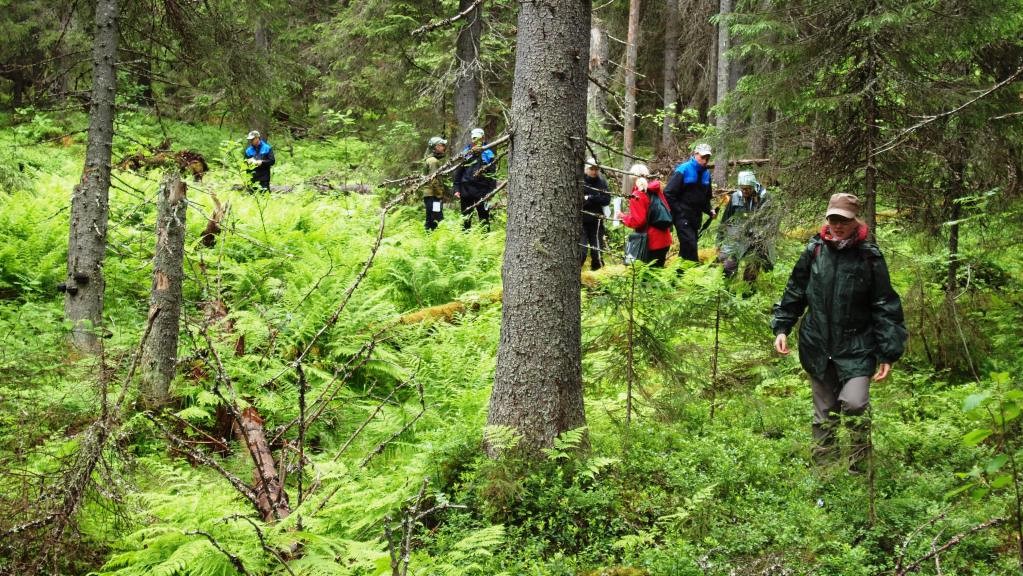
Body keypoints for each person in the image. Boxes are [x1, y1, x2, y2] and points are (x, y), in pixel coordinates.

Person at [771, 193, 907, 471]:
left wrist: (887, 353)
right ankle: (825, 472)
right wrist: (783, 326)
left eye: (843, 220)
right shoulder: (814, 251)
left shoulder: (869, 256)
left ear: (855, 221)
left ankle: (859, 468)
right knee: (825, 414)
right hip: (817, 343)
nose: (837, 225)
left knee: (855, 404)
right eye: (833, 219)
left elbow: (885, 304)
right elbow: (795, 290)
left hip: (857, 346)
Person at [664, 143, 716, 262]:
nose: (705, 160)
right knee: (690, 245)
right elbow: (668, 192)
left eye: (707, 158)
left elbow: (706, 198)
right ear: (695, 154)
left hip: (696, 218)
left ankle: (679, 275)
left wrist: (710, 210)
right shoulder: (684, 169)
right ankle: (693, 276)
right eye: (702, 157)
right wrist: (679, 212)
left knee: (687, 247)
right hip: (682, 217)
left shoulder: (707, 175)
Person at [717, 170, 773, 282]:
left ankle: (748, 294)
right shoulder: (735, 197)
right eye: (742, 188)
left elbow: (770, 222)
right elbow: (725, 220)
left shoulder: (764, 198)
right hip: (736, 239)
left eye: (747, 188)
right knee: (728, 267)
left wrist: (762, 234)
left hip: (756, 240)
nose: (744, 191)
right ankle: (727, 292)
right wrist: (719, 240)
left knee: (751, 271)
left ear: (753, 186)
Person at [621, 164, 672, 267]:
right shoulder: (656, 190)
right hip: (664, 239)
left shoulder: (637, 195)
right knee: (658, 275)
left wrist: (623, 218)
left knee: (647, 278)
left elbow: (639, 221)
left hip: (650, 242)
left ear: (632, 177)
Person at [453, 127, 497, 230]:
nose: (475, 141)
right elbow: (459, 172)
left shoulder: (488, 153)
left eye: (478, 138)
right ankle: (465, 240)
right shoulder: (466, 153)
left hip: (482, 191)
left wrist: (491, 191)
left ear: (483, 138)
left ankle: (485, 240)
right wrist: (456, 189)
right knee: (466, 217)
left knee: (484, 217)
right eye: (474, 138)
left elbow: (492, 174)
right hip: (466, 190)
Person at [580, 158, 611, 271]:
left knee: (597, 252)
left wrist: (589, 197)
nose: (594, 171)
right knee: (581, 253)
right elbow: (580, 201)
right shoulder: (580, 180)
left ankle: (597, 280)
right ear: (586, 169)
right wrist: (595, 198)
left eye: (596, 169)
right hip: (581, 222)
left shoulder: (601, 182)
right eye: (591, 169)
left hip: (596, 223)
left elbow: (606, 199)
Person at [423, 136, 449, 231]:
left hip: (431, 195)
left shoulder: (430, 159)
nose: (444, 147)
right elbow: (433, 180)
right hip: (433, 195)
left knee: (432, 219)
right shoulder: (433, 161)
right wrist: (439, 195)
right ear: (436, 147)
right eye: (442, 145)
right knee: (435, 219)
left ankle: (431, 240)